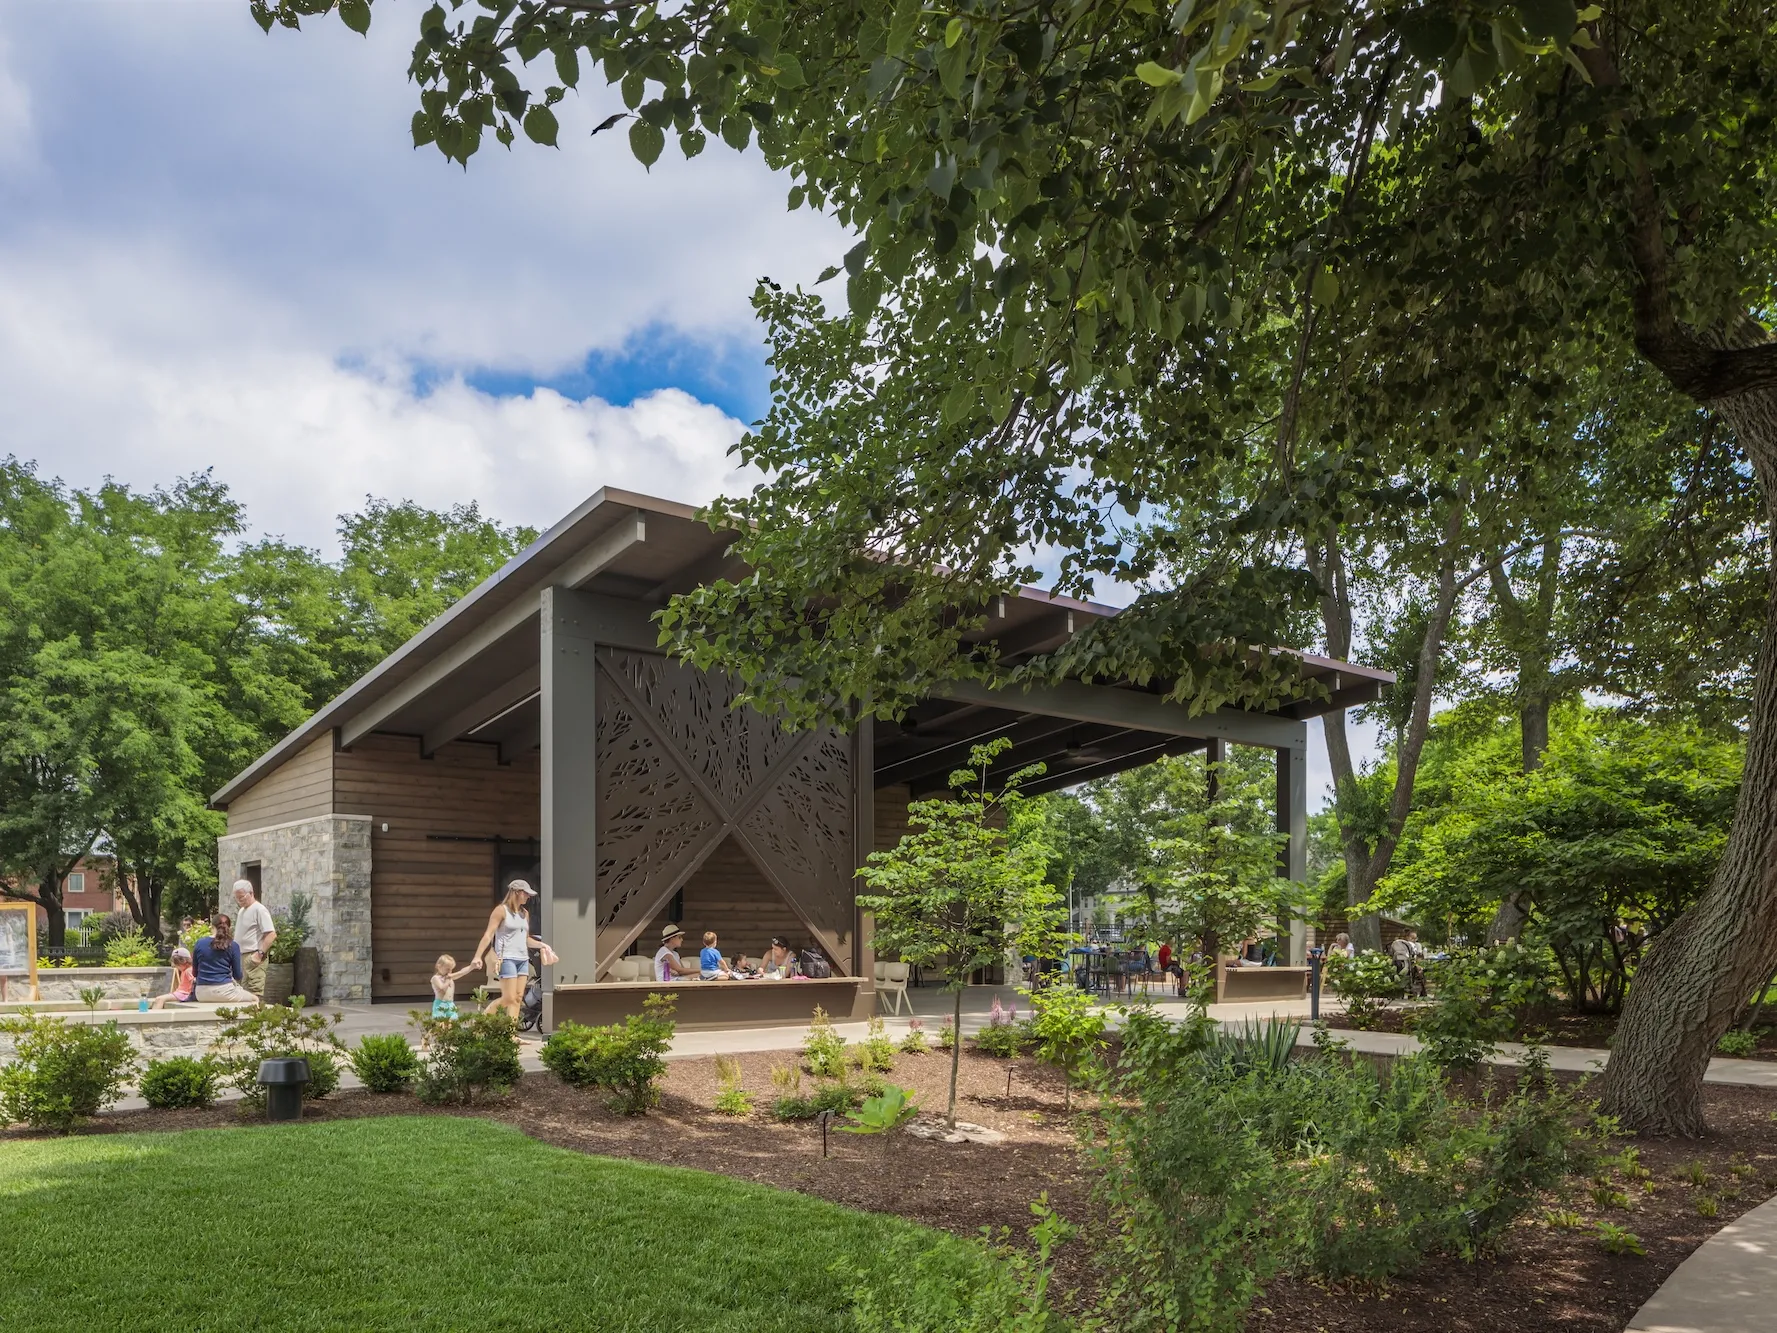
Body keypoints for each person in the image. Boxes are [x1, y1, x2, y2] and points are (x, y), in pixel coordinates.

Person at [469, 880, 558, 1023]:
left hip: (522, 959)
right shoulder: (501, 910)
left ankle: (511, 1034)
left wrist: (542, 945)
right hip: (506, 958)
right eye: (526, 894)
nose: (528, 897)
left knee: (517, 998)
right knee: (508, 998)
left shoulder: (525, 914)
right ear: (517, 892)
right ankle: (481, 1022)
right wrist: (477, 956)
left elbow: (525, 939)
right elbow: (488, 934)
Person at [192, 914, 257, 1005]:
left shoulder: (199, 943)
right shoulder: (233, 945)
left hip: (201, 993)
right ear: (229, 927)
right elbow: (237, 975)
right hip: (223, 991)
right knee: (254, 999)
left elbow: (194, 973)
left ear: (212, 926)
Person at [230, 879, 277, 999]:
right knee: (242, 991)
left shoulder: (259, 909)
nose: (239, 900)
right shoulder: (242, 911)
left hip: (253, 955)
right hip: (242, 955)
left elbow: (271, 934)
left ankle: (256, 1016)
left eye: (241, 897)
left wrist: (259, 954)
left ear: (251, 893)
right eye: (237, 898)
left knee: (254, 991)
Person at [430, 952, 481, 1020]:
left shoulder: (449, 976)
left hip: (450, 1004)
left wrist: (471, 967)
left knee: (453, 1021)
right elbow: (442, 988)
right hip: (440, 1004)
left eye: (451, 969)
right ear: (439, 966)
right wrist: (448, 979)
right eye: (447, 969)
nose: (450, 971)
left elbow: (461, 972)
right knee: (441, 1023)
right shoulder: (436, 978)